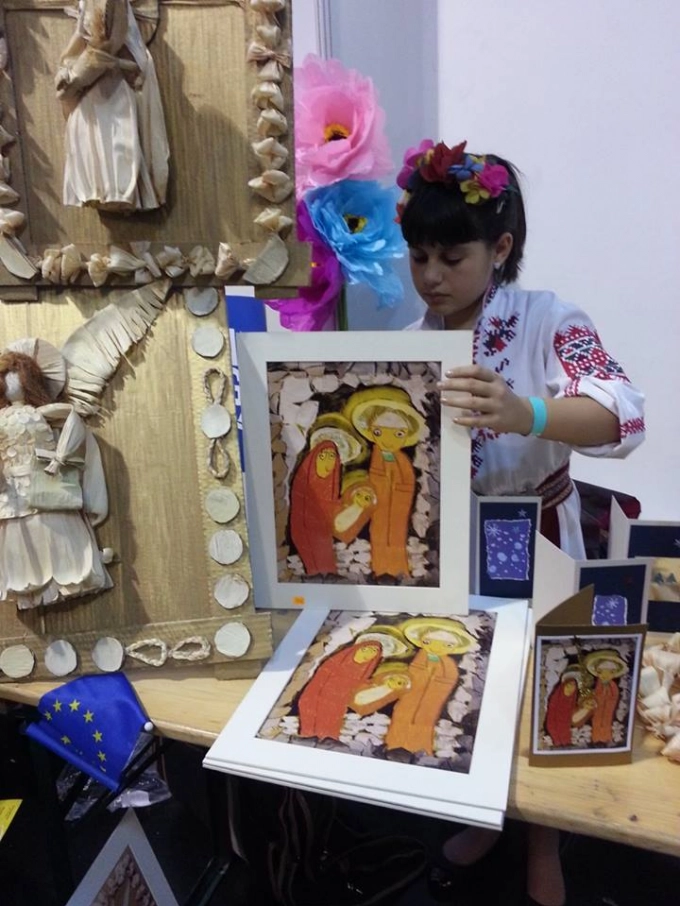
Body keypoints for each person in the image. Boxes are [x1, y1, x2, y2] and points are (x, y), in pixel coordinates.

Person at [397, 139, 645, 906]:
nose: (432, 276)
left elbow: (621, 416)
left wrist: (525, 411)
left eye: (452, 257)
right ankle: (487, 815)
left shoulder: (547, 319)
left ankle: (545, 839)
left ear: (499, 249)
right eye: (419, 257)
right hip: (456, 542)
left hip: (540, 533)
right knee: (469, 683)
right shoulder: (407, 346)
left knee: (547, 685)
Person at [0, 341, 111, 608]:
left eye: (16, 378)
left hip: (45, 486)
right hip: (10, 494)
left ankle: (69, 579)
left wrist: (60, 456)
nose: (11, 386)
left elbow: (73, 422)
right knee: (20, 542)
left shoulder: (42, 414)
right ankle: (31, 592)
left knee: (54, 535)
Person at [344, 387, 426, 578]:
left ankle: (398, 569)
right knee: (379, 532)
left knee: (397, 534)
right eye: (379, 432)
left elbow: (407, 481)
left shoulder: (402, 460)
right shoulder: (372, 456)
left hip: (398, 505)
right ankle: (381, 568)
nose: (388, 440)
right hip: (379, 504)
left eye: (398, 434)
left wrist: (398, 491)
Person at [296, 640, 383, 741]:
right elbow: (317, 683)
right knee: (310, 731)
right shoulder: (336, 661)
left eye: (374, 651)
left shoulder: (365, 671)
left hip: (337, 706)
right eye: (365, 649)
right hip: (317, 699)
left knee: (328, 735)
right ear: (356, 649)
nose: (369, 653)